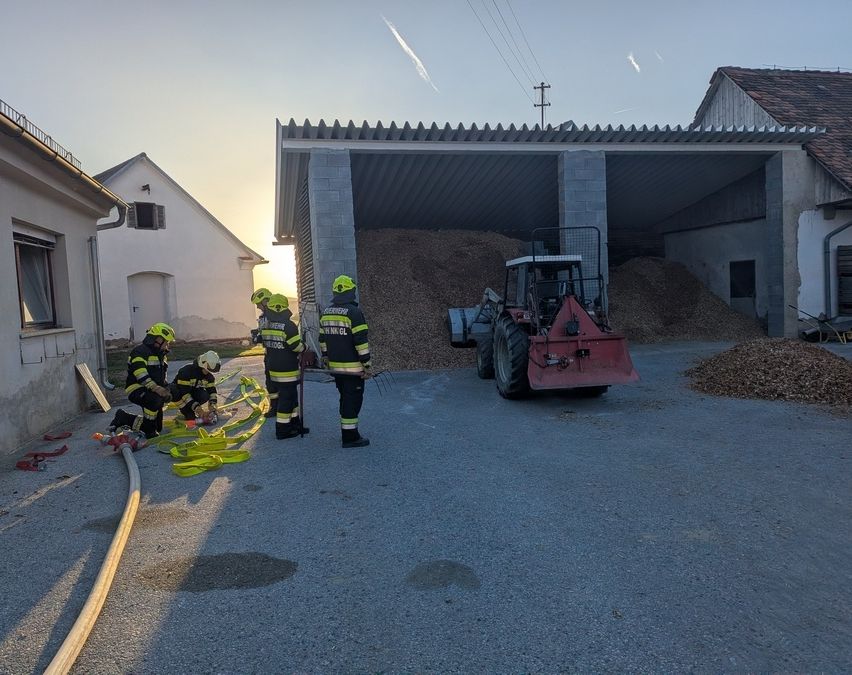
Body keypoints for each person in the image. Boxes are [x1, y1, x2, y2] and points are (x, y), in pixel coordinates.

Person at [319, 275, 371, 448]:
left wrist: (326, 357)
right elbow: (361, 342)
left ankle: (348, 431)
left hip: (336, 368)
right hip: (353, 369)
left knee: (344, 398)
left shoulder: (326, 312)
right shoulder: (354, 313)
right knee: (352, 400)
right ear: (351, 291)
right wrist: (367, 365)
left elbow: (322, 339)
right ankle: (350, 437)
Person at [109, 322, 175, 438]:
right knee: (155, 400)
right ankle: (148, 429)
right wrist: (158, 389)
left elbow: (161, 377)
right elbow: (141, 376)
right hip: (136, 388)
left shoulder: (161, 355)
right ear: (158, 339)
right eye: (166, 342)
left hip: (152, 389)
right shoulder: (139, 352)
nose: (167, 345)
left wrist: (166, 388)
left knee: (157, 426)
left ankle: (124, 418)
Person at [260, 294, 309, 440]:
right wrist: (305, 347)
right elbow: (296, 347)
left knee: (292, 398)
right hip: (286, 370)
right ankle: (282, 430)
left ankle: (294, 424)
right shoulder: (288, 326)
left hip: (273, 368)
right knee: (286, 400)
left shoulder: (266, 325)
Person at [170, 350, 220, 422]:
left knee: (204, 395)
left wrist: (213, 405)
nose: (209, 372)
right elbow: (184, 394)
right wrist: (198, 409)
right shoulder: (186, 371)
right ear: (204, 364)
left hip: (191, 393)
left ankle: (191, 408)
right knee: (190, 416)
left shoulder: (209, 376)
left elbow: (212, 391)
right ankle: (186, 410)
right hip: (180, 394)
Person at [251, 287, 277, 418]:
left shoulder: (276, 316)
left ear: (265, 301)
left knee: (280, 383)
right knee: (270, 382)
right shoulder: (264, 317)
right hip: (269, 354)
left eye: (258, 304)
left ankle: (282, 407)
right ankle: (275, 406)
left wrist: (259, 337)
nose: (258, 307)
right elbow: (263, 333)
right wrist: (257, 335)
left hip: (278, 355)